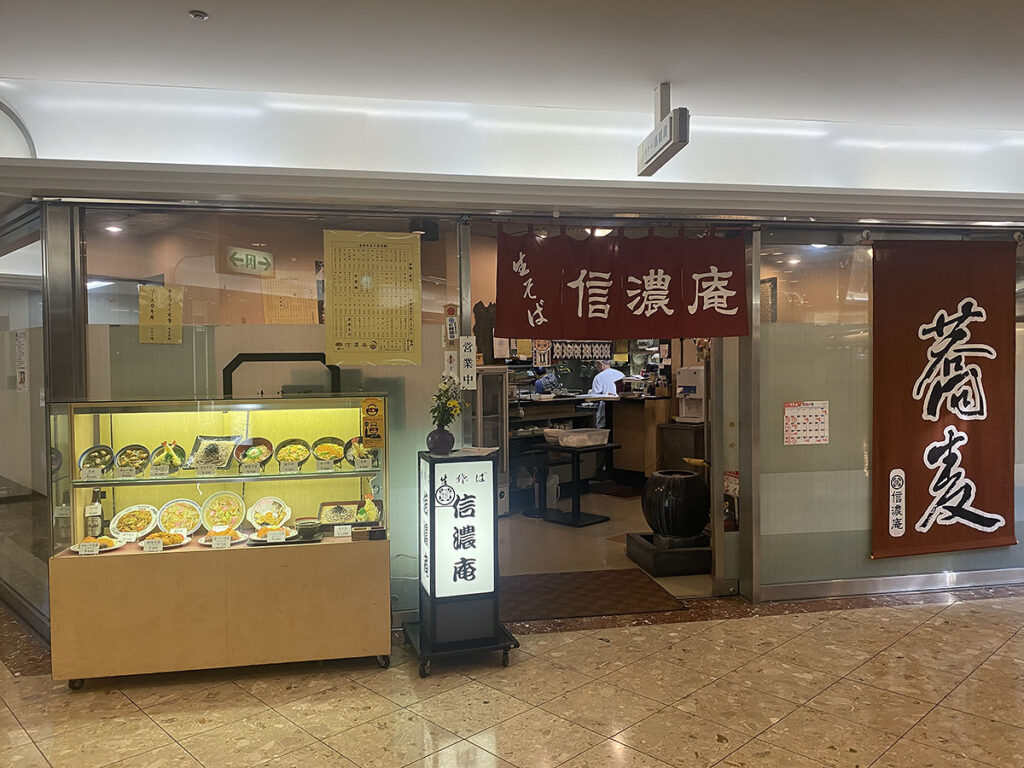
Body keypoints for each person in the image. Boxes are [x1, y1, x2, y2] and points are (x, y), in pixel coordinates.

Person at [589, 360, 624, 428]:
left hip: (605, 411)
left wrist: (590, 393)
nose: (596, 366)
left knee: (605, 429)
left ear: (600, 364)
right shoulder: (621, 374)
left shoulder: (599, 377)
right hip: (620, 410)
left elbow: (594, 397)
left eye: (596, 364)